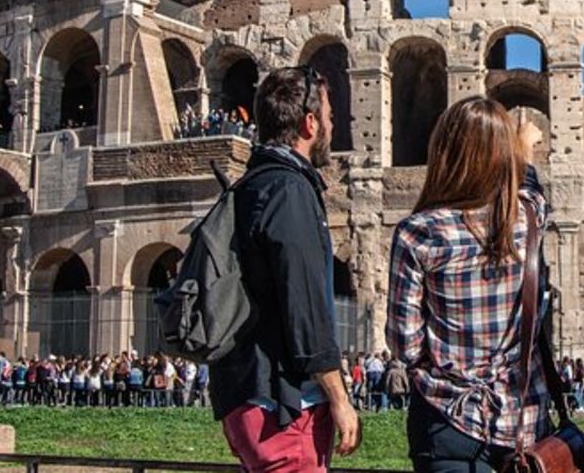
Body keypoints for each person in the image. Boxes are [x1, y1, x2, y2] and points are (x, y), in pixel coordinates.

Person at [210, 66, 360, 472]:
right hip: (283, 405)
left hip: (248, 392)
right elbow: (304, 306)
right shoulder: (289, 190)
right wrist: (340, 399)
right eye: (329, 115)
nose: (332, 124)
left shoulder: (250, 184)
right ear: (309, 123)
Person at [387, 96, 549, 473]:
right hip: (523, 422)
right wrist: (521, 152)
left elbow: (404, 345)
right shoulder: (528, 220)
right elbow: (530, 191)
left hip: (448, 419)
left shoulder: (418, 234)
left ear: (443, 155)